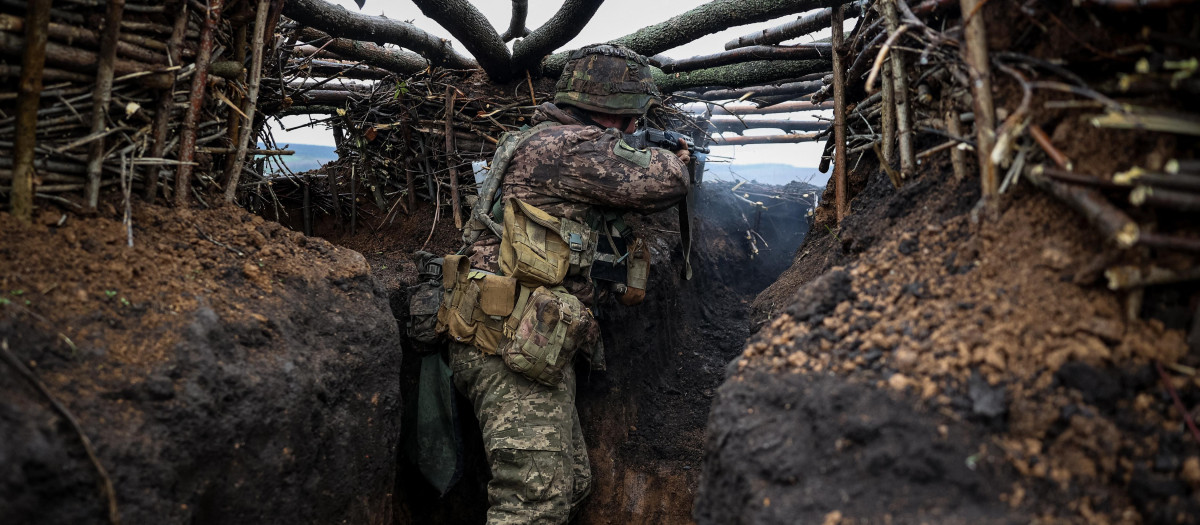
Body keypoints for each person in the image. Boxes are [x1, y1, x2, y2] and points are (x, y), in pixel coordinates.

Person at [448, 44, 691, 524]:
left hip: (525, 338)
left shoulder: (546, 139)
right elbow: (665, 181)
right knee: (533, 503)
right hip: (507, 344)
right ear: (616, 110)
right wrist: (676, 158)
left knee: (573, 484)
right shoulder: (569, 147)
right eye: (634, 119)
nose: (634, 128)